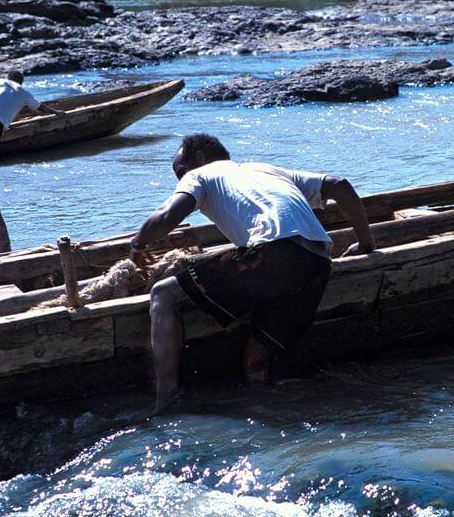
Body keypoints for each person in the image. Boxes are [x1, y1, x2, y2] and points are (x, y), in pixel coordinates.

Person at [129, 133, 375, 411]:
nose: (179, 179)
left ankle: (166, 401)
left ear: (198, 158)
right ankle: (269, 407)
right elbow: (339, 185)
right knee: (255, 363)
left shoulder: (200, 174)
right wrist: (366, 244)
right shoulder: (268, 170)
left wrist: (138, 243)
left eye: (179, 171)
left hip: (272, 253)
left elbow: (167, 215)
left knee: (163, 293)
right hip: (316, 264)